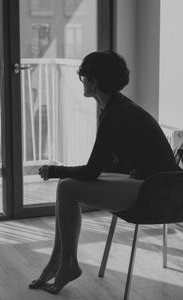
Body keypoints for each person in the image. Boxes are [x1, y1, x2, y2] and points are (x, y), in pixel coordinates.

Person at [29, 51, 178, 294]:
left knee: (66, 186)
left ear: (93, 81)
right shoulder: (117, 107)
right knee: (66, 185)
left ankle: (65, 263)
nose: (83, 83)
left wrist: (53, 170)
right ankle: (60, 262)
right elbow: (106, 166)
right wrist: (62, 173)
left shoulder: (116, 113)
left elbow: (91, 171)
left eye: (83, 78)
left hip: (157, 192)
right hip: (153, 183)